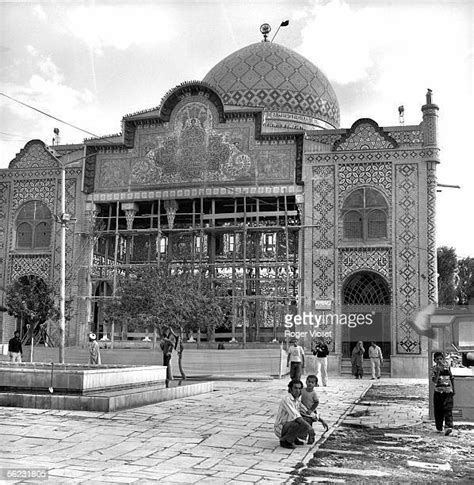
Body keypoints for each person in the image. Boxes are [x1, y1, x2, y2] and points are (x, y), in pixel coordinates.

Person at [274, 379, 315, 449]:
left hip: (289, 424)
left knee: (308, 419)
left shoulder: (297, 400)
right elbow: (296, 416)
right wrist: (310, 428)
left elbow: (306, 411)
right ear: (290, 389)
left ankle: (293, 437)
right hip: (281, 427)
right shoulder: (286, 399)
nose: (297, 390)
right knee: (299, 422)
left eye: (299, 388)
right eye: (295, 388)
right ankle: (285, 441)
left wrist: (320, 419)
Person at [431, 351, 455, 436]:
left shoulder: (447, 367)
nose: (439, 361)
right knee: (438, 410)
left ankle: (448, 426)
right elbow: (434, 381)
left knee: (448, 409)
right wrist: (438, 371)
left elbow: (452, 378)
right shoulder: (434, 369)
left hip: (448, 391)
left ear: (443, 359)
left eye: (441, 359)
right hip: (438, 392)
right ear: (434, 360)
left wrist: (453, 389)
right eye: (437, 359)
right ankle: (439, 427)